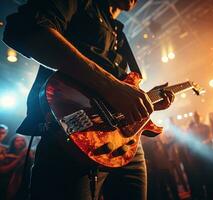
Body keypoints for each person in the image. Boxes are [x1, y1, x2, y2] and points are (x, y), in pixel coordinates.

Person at [3, 0, 174, 199]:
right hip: (73, 133)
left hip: (126, 144)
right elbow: (24, 28)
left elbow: (123, 88)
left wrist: (145, 102)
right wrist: (111, 86)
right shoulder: (84, 3)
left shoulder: (119, 32)